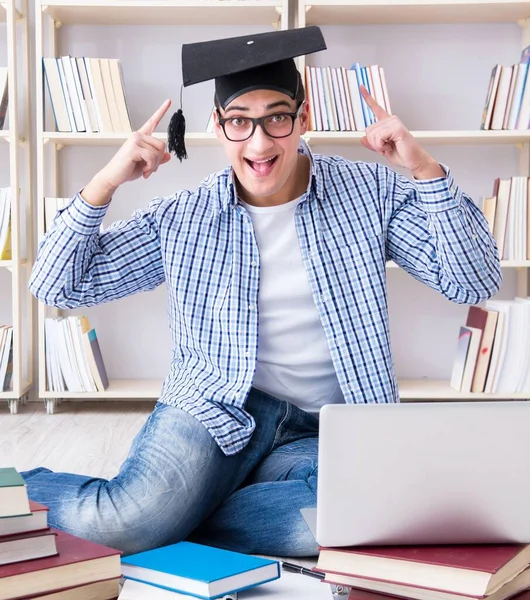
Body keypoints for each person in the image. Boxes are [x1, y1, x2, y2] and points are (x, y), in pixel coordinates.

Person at [24, 26, 501, 558]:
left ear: (303, 119)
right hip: (213, 409)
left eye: (277, 117)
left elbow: (473, 280)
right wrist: (105, 183)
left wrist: (424, 171)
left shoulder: (372, 193)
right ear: (217, 127)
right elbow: (57, 283)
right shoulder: (184, 216)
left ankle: (180, 516)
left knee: (339, 522)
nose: (259, 142)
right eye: (239, 122)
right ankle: (57, 496)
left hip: (330, 424)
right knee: (122, 524)